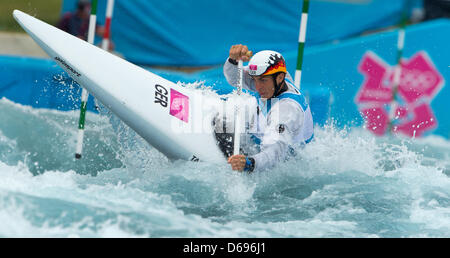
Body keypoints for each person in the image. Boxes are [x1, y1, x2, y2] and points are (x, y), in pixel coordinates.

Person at [223, 44, 314, 173]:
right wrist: (233, 61)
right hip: (263, 137)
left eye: (262, 81)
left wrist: (249, 163)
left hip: (286, 166)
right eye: (254, 80)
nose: (257, 87)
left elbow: (274, 153)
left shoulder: (286, 110)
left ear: (280, 78)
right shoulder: (274, 80)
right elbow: (235, 79)